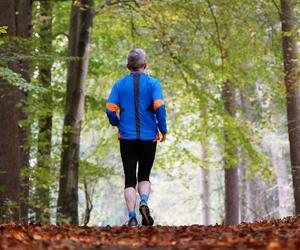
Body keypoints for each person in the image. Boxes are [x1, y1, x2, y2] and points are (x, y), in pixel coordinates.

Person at [105, 48, 167, 227]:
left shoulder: (119, 85)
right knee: (145, 176)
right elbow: (159, 108)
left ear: (128, 67)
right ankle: (144, 202)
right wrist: (163, 129)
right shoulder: (153, 83)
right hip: (149, 138)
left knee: (130, 178)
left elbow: (110, 109)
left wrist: (116, 122)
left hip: (127, 137)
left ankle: (132, 216)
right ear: (145, 66)